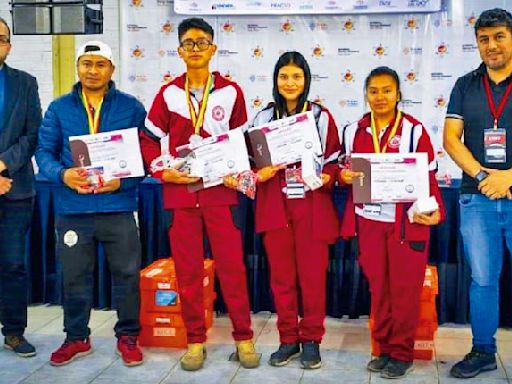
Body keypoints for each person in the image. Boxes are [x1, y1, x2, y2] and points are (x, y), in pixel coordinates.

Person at [139, 17, 260, 371]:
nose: (195, 49)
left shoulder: (231, 92)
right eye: (188, 43)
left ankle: (244, 337)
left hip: (221, 194)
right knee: (189, 272)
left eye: (202, 42)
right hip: (181, 197)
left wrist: (238, 172)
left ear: (213, 48)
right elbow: (148, 141)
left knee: (233, 269)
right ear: (179, 50)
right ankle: (195, 341)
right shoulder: (168, 94)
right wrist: (163, 171)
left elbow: (243, 144)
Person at [35, 41, 146, 367]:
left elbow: (144, 156)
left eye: (100, 64)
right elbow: (44, 153)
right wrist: (64, 174)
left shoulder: (131, 107)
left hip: (118, 205)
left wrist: (123, 182)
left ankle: (128, 336)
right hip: (73, 208)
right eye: (86, 63)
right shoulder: (59, 108)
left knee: (127, 274)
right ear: (78, 67)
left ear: (112, 69)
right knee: (73, 275)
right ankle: (76, 337)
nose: (92, 70)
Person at [340, 66, 444, 379]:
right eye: (374, 91)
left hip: (405, 224)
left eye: (387, 90)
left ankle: (402, 353)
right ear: (366, 94)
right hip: (368, 222)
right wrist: (344, 177)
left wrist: (436, 210)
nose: (380, 97)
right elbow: (343, 170)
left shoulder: (413, 130)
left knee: (404, 291)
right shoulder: (353, 131)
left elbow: (429, 178)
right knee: (379, 290)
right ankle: (383, 347)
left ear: (398, 94)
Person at [247, 51, 341, 369]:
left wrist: (327, 177)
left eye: (297, 77)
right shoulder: (261, 118)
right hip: (275, 204)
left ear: (306, 81)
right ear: (276, 80)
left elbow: (335, 161)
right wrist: (261, 172)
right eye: (284, 76)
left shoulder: (320, 116)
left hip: (311, 204)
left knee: (312, 278)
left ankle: (312, 339)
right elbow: (250, 163)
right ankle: (288, 339)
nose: (290, 82)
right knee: (282, 279)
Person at [443, 8, 512, 379]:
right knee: (483, 279)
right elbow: (451, 139)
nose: (492, 45)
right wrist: (486, 176)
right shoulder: (465, 85)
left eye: (499, 36)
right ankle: (483, 350)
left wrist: (509, 178)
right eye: (484, 39)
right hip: (478, 196)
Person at [0, 17, 42, 358]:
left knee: (13, 264)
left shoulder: (26, 83)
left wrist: (2, 165)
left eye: (0, 39)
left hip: (15, 189)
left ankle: (14, 332)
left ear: (9, 46)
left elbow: (32, 134)